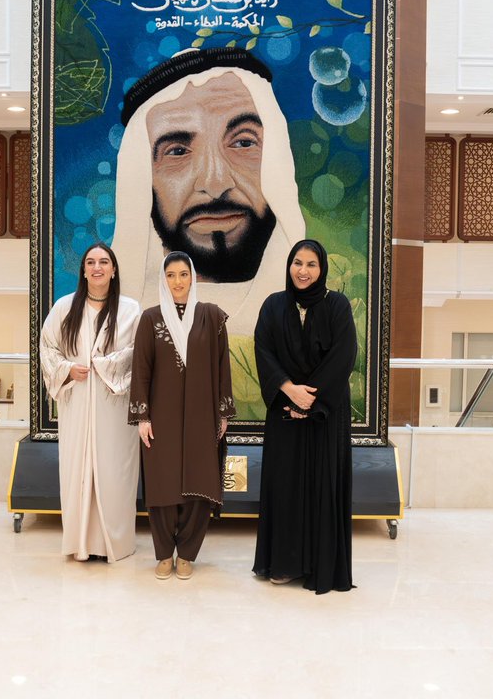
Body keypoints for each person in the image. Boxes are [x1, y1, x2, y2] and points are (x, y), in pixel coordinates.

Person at [114, 47, 307, 335]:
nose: (216, 184)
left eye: (243, 143)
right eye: (178, 151)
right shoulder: (124, 324)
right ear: (143, 181)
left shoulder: (317, 312)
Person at [252, 239, 357, 594]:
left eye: (311, 264)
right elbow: (264, 351)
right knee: (285, 487)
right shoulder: (273, 305)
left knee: (322, 486)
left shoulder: (337, 305)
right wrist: (288, 389)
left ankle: (319, 565)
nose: (303, 270)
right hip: (284, 412)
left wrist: (309, 400)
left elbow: (344, 355)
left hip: (325, 415)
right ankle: (283, 564)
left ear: (321, 269)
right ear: (289, 265)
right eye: (298, 262)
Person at [128, 251, 235, 580]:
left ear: (193, 277)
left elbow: (223, 366)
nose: (177, 282)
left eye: (183, 274)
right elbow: (141, 369)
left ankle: (187, 553)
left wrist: (223, 412)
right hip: (162, 415)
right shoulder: (150, 319)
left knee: (198, 484)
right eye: (171, 275)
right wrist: (142, 416)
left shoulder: (211, 317)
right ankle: (163, 553)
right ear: (164, 279)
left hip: (203, 414)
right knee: (163, 483)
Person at [39, 242, 141, 562]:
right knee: (78, 469)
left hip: (115, 405)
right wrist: (68, 369)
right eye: (91, 262)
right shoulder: (64, 307)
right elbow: (48, 349)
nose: (97, 267)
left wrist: (105, 366)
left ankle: (115, 543)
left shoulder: (130, 310)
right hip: (77, 402)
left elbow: (140, 353)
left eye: (104, 262)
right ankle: (80, 543)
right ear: (83, 270)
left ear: (114, 270)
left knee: (114, 472)